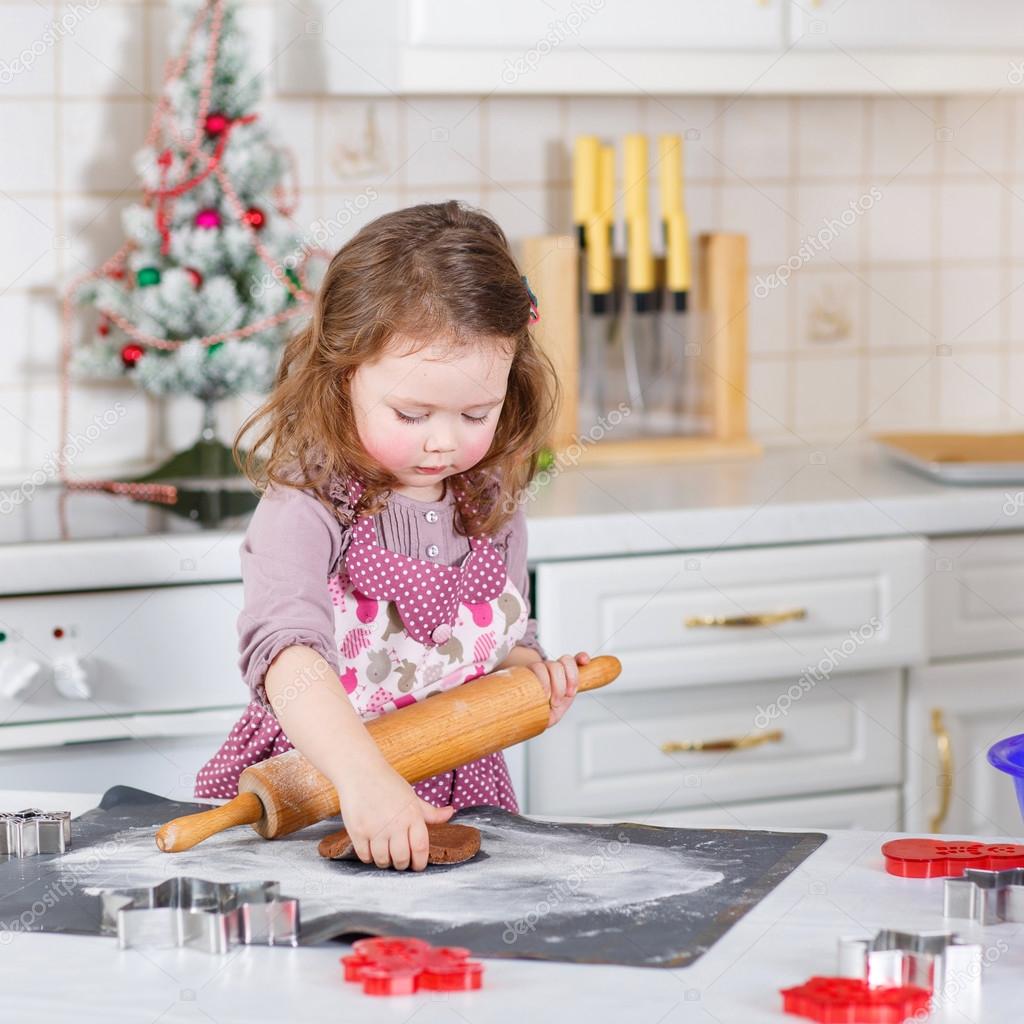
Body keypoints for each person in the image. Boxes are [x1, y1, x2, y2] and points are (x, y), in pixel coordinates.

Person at [194, 200, 591, 871]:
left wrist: (531, 682)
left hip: (464, 791)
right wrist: (364, 779)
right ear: (346, 375)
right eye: (412, 413)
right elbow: (286, 659)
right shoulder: (309, 503)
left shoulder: (489, 500)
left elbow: (498, 648)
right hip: (316, 789)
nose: (444, 440)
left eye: (476, 411)